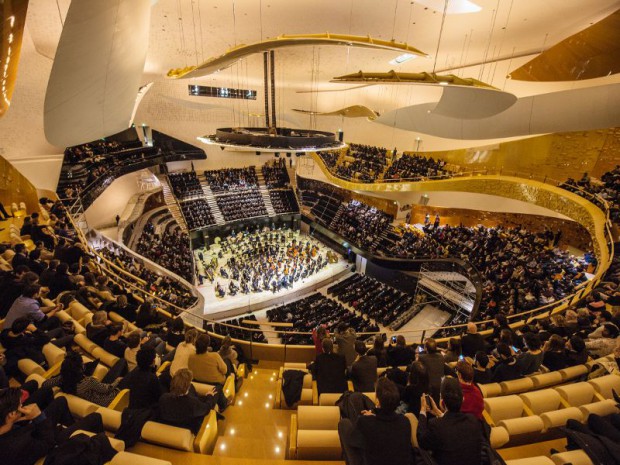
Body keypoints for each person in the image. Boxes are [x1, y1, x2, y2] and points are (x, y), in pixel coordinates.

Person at [0, 388, 109, 465]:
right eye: (21, 405)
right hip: (48, 448)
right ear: (11, 414)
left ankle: (72, 428)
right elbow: (48, 443)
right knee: (95, 417)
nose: (22, 406)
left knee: (60, 401)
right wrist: (39, 417)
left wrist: (23, 421)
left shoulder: (6, 426)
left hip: (34, 434)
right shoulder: (14, 447)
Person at [338, 378, 413, 465]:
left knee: (344, 424)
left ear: (378, 401)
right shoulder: (405, 422)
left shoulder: (365, 421)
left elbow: (353, 442)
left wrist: (367, 419)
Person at [417, 376, 485, 465]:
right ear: (462, 399)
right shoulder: (473, 420)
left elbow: (421, 440)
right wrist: (438, 412)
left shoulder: (436, 425)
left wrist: (422, 411)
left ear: (442, 401)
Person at [42, 351, 120, 406]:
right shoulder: (88, 382)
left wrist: (62, 375)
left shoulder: (62, 379)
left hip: (96, 394)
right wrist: (117, 381)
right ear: (80, 368)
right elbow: (107, 389)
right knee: (121, 364)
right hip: (110, 399)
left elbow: (45, 384)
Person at [157, 368, 217, 434]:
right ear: (188, 386)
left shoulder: (163, 398)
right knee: (217, 391)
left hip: (168, 427)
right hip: (186, 429)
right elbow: (207, 408)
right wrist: (209, 396)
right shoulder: (192, 403)